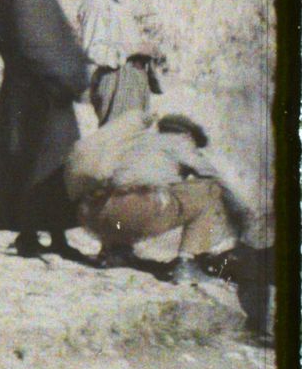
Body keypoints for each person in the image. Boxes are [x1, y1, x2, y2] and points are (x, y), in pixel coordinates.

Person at [0, 0, 93, 262]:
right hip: (31, 95)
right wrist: (63, 73)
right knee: (33, 161)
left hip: (47, 93)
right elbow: (32, 43)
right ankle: (29, 234)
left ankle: (57, 234)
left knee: (56, 163)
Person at [64, 110, 253, 283]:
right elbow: (215, 178)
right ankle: (186, 265)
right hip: (137, 207)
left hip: (93, 216)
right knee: (210, 189)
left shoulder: (136, 142)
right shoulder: (180, 142)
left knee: (131, 196)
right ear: (187, 135)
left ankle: (117, 253)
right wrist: (243, 213)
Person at [77, 0, 163, 126]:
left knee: (132, 143)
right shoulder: (96, 3)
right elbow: (93, 51)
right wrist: (135, 49)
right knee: (117, 143)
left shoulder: (114, 1)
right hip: (117, 82)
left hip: (130, 80)